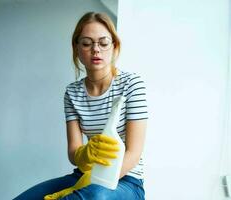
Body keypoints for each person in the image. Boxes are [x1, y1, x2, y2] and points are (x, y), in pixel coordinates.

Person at [13, 11, 148, 200]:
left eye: (103, 42)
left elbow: (133, 153)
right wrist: (83, 155)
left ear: (114, 46)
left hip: (126, 182)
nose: (96, 50)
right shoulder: (72, 93)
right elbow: (73, 151)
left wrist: (89, 185)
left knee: (89, 197)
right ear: (77, 49)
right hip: (84, 175)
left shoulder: (131, 84)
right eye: (86, 43)